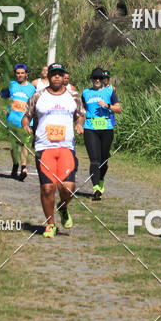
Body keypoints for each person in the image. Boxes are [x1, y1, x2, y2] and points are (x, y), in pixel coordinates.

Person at [22, 63, 85, 238]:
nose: (56, 77)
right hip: (44, 147)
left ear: (64, 76)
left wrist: (79, 124)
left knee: (68, 187)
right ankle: (50, 224)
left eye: (59, 74)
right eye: (53, 74)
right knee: (48, 189)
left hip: (66, 147)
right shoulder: (38, 96)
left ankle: (63, 207)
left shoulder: (73, 95)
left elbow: (80, 114)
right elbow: (26, 116)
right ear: (48, 77)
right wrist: (26, 126)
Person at [81, 68, 121, 200]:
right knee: (94, 159)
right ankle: (96, 187)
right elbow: (81, 110)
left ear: (104, 80)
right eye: (94, 78)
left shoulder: (109, 91)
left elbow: (119, 109)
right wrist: (79, 123)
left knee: (104, 159)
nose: (97, 80)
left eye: (100, 78)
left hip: (106, 128)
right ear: (91, 79)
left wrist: (108, 106)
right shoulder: (85, 93)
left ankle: (101, 179)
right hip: (90, 128)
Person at [0, 63, 36, 180]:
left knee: (24, 144)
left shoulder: (31, 88)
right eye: (18, 73)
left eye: (22, 73)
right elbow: (1, 96)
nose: (20, 75)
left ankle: (23, 167)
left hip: (26, 121)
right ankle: (15, 164)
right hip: (12, 120)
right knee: (14, 146)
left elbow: (34, 104)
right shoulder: (11, 85)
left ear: (26, 74)